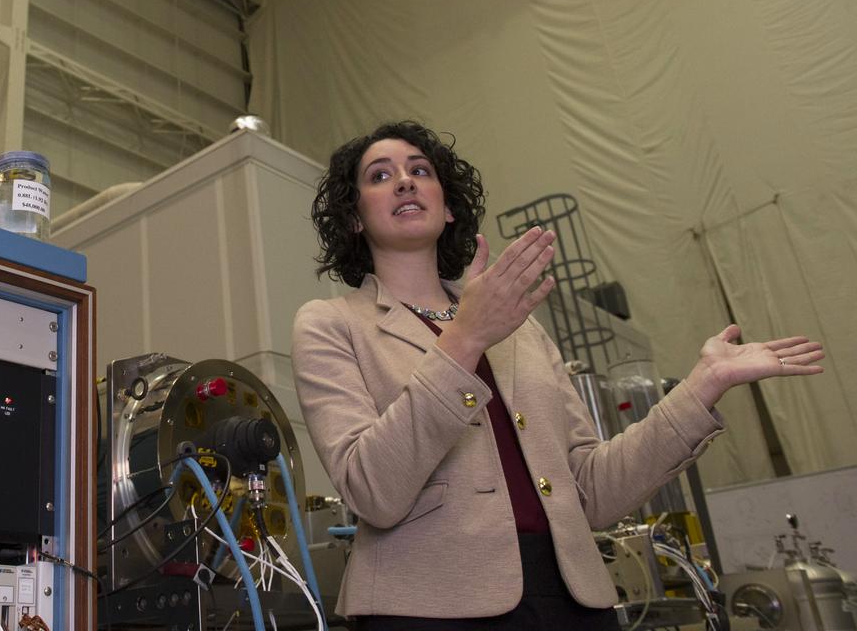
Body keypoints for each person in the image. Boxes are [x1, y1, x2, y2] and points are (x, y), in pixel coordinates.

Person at [290, 121, 825, 630]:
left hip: (573, 600)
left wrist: (702, 386)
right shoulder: (331, 324)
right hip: (427, 609)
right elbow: (372, 491)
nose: (405, 180)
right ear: (354, 218)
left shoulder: (520, 330)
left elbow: (591, 489)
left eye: (420, 170)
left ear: (449, 208)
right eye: (380, 176)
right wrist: (465, 339)